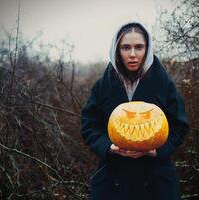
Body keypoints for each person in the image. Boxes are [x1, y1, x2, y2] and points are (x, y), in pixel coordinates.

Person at [80, 22, 189, 200]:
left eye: (139, 47)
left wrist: (158, 150)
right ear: (117, 50)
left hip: (155, 177)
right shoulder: (103, 86)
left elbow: (180, 126)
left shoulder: (163, 83)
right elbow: (89, 126)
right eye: (125, 47)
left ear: (147, 49)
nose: (132, 54)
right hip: (113, 176)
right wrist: (109, 146)